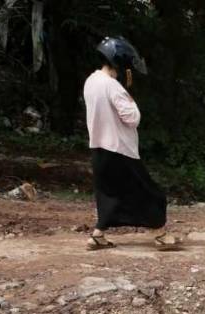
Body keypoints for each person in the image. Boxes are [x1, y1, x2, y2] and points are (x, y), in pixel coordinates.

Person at [84, 36, 178, 251]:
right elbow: (132, 118)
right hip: (119, 148)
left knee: (109, 193)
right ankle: (160, 234)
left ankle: (98, 235)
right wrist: (130, 97)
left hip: (98, 147)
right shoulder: (112, 86)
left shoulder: (91, 81)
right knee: (149, 192)